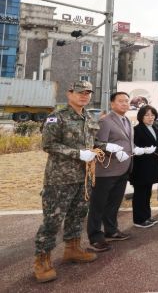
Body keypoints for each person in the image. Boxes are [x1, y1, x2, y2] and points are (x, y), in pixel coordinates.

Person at [33, 81, 98, 283]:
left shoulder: (89, 117)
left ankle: (72, 249)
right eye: (80, 92)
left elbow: (92, 143)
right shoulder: (57, 117)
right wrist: (78, 154)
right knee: (52, 221)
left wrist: (107, 147)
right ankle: (42, 260)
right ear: (69, 94)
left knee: (77, 216)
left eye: (87, 92)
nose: (84, 95)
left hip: (83, 177)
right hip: (60, 179)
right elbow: (49, 145)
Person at [87, 92, 134, 252]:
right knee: (98, 205)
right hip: (106, 170)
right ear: (112, 104)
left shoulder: (127, 120)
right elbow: (97, 143)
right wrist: (112, 151)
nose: (124, 103)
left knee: (114, 203)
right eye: (120, 101)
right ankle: (95, 237)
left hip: (123, 169)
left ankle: (111, 230)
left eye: (126, 101)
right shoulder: (105, 121)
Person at [130, 105, 158, 228]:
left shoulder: (153, 127)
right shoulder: (137, 129)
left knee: (147, 192)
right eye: (147, 115)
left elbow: (157, 144)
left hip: (151, 165)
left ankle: (147, 216)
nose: (150, 117)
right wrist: (141, 150)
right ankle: (139, 220)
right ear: (141, 117)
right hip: (140, 167)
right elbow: (133, 147)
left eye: (152, 115)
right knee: (140, 193)